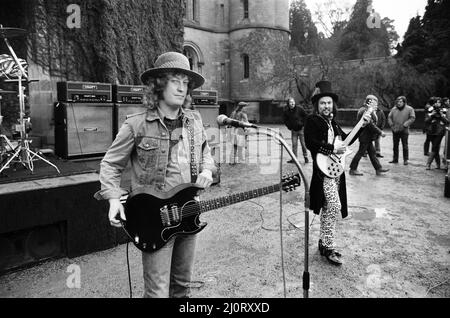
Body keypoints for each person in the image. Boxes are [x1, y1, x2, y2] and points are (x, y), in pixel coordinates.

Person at [93, 51, 216, 298]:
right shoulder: (136, 124)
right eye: (175, 81)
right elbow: (110, 164)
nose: (182, 89)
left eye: (185, 83)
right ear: (159, 84)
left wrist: (207, 170)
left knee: (181, 287)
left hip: (188, 212)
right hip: (153, 218)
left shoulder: (194, 122)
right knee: (158, 292)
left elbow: (207, 156)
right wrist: (114, 198)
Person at [304, 80, 371, 266]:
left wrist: (362, 125)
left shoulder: (333, 122)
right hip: (322, 173)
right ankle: (329, 246)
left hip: (335, 172)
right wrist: (332, 148)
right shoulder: (312, 121)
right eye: (323, 103)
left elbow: (347, 141)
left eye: (329, 103)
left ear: (333, 104)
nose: (326, 106)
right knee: (334, 206)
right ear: (317, 105)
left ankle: (324, 243)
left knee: (329, 208)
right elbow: (311, 143)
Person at [349, 95, 389, 176]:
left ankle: (378, 168)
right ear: (369, 102)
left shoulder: (368, 110)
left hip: (367, 136)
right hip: (365, 136)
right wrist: (380, 132)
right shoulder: (365, 111)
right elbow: (370, 124)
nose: (376, 105)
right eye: (375, 103)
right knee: (361, 153)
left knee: (372, 153)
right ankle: (353, 169)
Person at [387, 96, 416, 165]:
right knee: (395, 145)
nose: (399, 103)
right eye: (398, 102)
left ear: (404, 102)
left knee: (405, 145)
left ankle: (405, 159)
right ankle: (395, 159)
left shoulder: (409, 109)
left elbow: (412, 118)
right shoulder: (394, 109)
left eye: (400, 102)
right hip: (395, 129)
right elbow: (389, 117)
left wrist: (405, 125)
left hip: (404, 130)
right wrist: (391, 125)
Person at [282, 97, 310, 164]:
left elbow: (306, 116)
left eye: (293, 102)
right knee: (294, 145)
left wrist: (303, 124)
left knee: (303, 144)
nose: (292, 103)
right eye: (290, 102)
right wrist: (289, 126)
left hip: (301, 130)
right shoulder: (287, 111)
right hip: (294, 131)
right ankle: (294, 159)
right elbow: (285, 120)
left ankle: (306, 157)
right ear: (288, 104)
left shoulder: (299, 109)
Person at [424, 97, 449, 170]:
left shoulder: (444, 110)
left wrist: (441, 115)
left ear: (441, 103)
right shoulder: (430, 109)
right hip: (431, 131)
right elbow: (426, 121)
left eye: (439, 102)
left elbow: (447, 122)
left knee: (434, 147)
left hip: (440, 131)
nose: (437, 104)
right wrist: (432, 115)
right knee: (436, 149)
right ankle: (438, 164)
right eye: (436, 102)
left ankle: (428, 164)